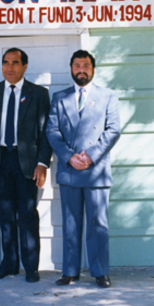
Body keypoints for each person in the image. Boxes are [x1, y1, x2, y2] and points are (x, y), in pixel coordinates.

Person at [46, 50, 121, 288]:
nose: (81, 69)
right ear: (71, 69)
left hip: (96, 170)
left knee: (98, 224)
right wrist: (70, 157)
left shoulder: (108, 96)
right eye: (77, 65)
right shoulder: (60, 97)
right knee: (71, 223)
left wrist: (90, 156)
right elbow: (52, 131)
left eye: (86, 65)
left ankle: (100, 272)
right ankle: (70, 271)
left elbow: (113, 130)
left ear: (93, 69)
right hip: (70, 170)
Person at [0, 48, 52, 283]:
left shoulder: (38, 94)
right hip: (0, 160)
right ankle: (9, 264)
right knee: (6, 215)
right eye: (6, 63)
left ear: (25, 66)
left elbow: (45, 132)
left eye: (15, 63)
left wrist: (42, 163)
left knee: (28, 215)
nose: (10, 67)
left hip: (27, 161)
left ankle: (31, 267)